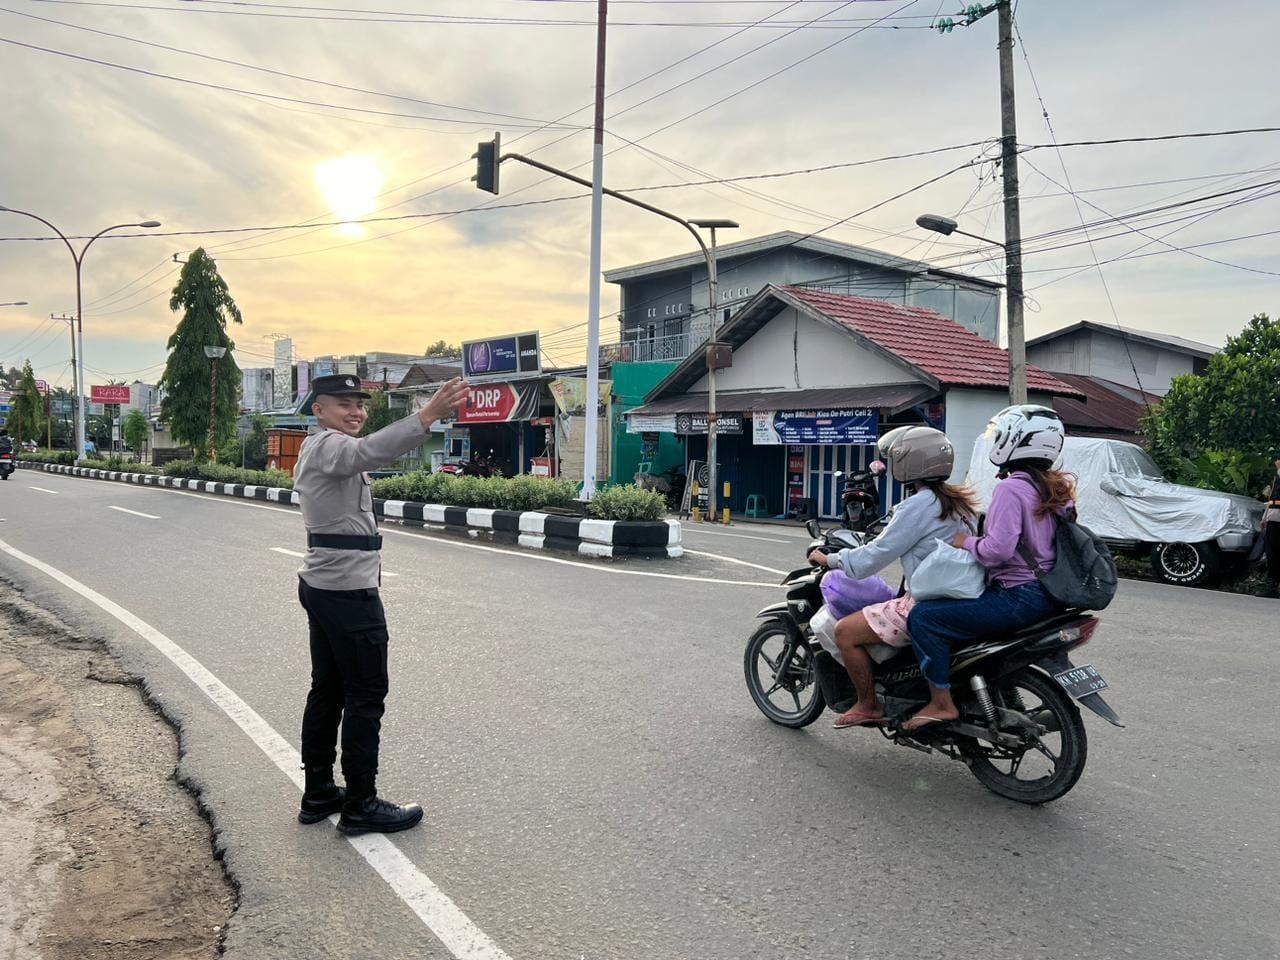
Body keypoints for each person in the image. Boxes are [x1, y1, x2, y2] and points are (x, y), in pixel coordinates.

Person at [294, 373, 470, 835]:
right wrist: (427, 415)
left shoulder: (324, 448)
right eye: (344, 404)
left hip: (328, 584)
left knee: (329, 691)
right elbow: (368, 451)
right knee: (365, 697)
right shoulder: (329, 445)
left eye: (360, 404)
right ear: (319, 410)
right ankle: (361, 805)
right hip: (347, 593)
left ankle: (318, 793)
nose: (356, 411)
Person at [903, 405, 1071, 734]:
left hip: (1018, 596)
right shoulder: (1054, 487)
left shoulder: (1011, 488)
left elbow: (997, 551)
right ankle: (991, 694)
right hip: (1050, 594)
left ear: (1014, 441)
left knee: (924, 617)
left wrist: (966, 542)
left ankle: (941, 702)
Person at [808, 426, 978, 729]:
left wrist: (829, 559)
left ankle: (868, 705)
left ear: (907, 462)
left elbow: (873, 556)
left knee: (846, 631)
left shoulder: (917, 505)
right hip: (963, 599)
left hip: (926, 602)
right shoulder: (959, 502)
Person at [1262, 458, 1280, 597]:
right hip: (1273, 517)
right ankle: (1272, 586)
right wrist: (1264, 518)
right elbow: (1271, 501)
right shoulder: (1276, 479)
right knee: (1271, 553)